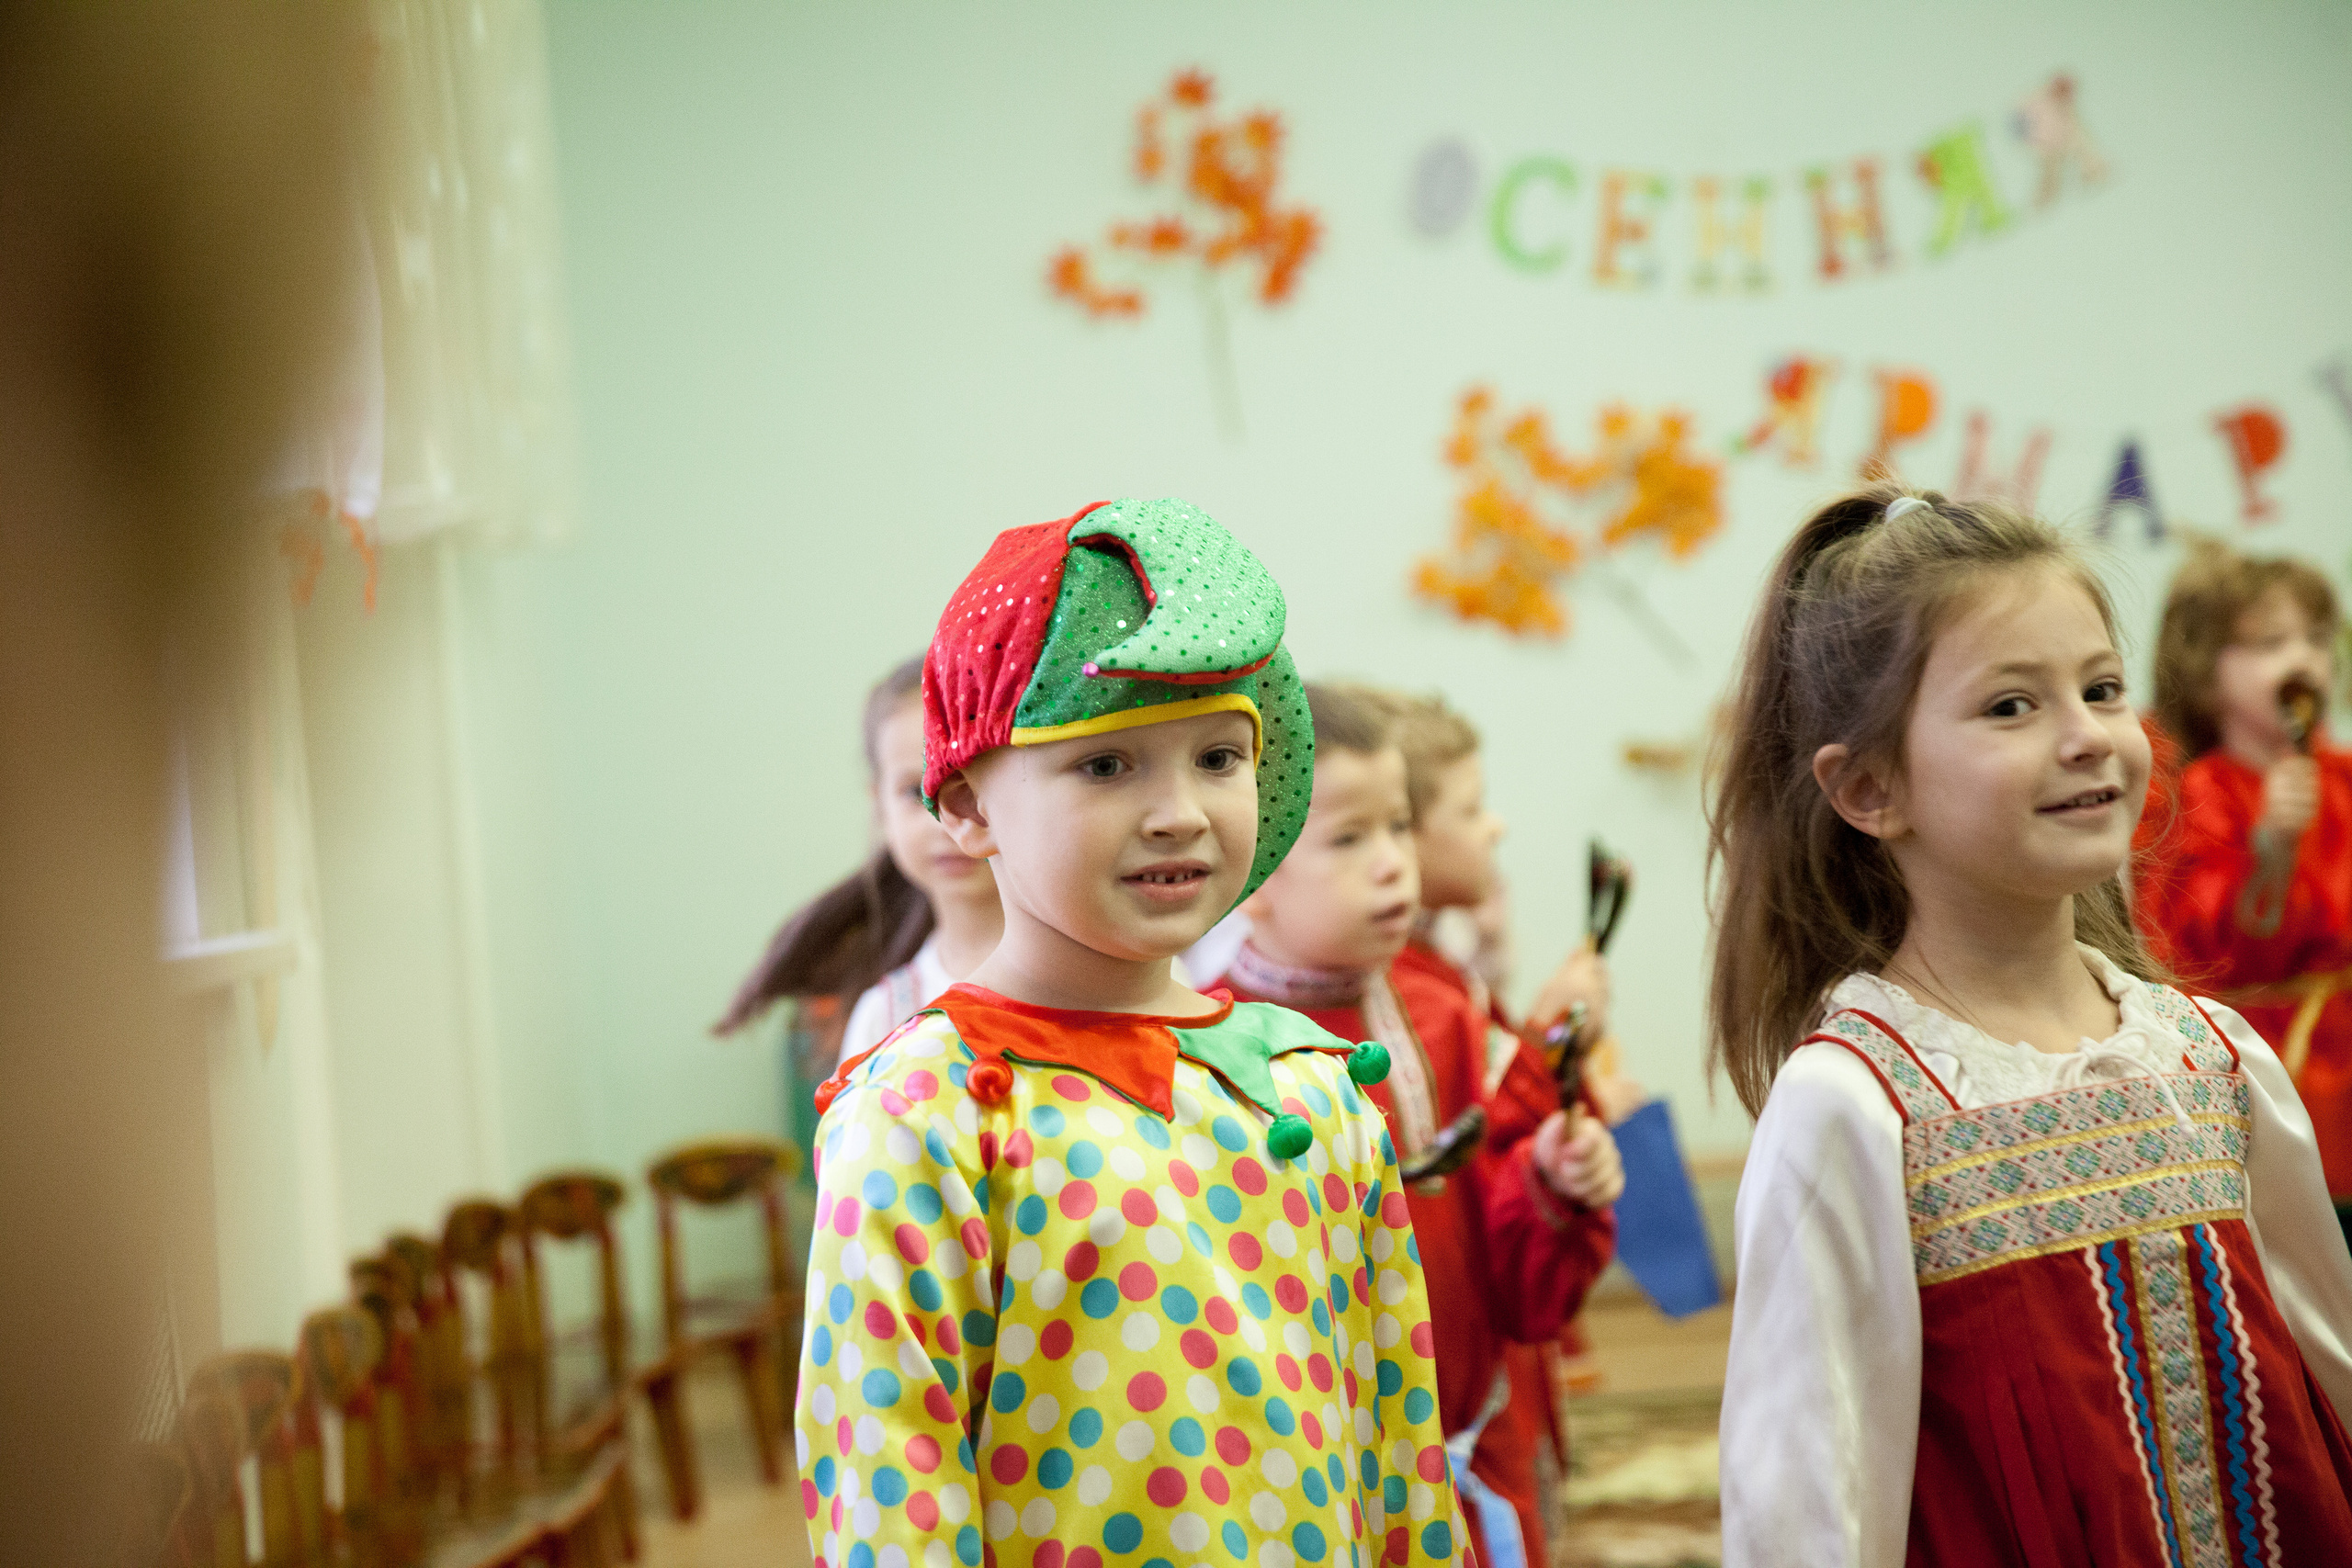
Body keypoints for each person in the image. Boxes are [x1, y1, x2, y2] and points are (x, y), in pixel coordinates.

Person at [795, 499, 1468, 1568]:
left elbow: (1400, 1460)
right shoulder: (925, 1113)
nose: (1180, 813)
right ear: (965, 807)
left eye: (1217, 757)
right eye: (1107, 766)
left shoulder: (1310, 1087)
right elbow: (889, 1494)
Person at [1711, 485, 2352, 1565]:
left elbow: (2331, 1375)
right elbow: (1809, 1504)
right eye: (2011, 707)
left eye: (2101, 689)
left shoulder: (2212, 1057)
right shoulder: (1858, 1107)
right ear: (1869, 788)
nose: (2087, 738)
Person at [1213, 682, 1622, 1568]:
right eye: (1350, 838)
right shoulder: (1208, 1050)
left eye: (1399, 826)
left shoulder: (1447, 1014)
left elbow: (1511, 1275)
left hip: (1472, 1444)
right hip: (1313, 1482)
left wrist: (1556, 1183)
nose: (1396, 862)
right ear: (1250, 874)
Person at [2135, 538, 2352, 1247]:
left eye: (2315, 638)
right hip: (2280, 1076)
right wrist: (2272, 855)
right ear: (2204, 675)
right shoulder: (2199, 797)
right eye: (2268, 642)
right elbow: (2206, 953)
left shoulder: (2342, 778)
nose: (2302, 659)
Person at [715, 655, 1006, 1167]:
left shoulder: (1114, 977)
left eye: (973, 783)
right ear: (879, 807)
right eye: (917, 792)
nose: (947, 819)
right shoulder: (886, 1018)